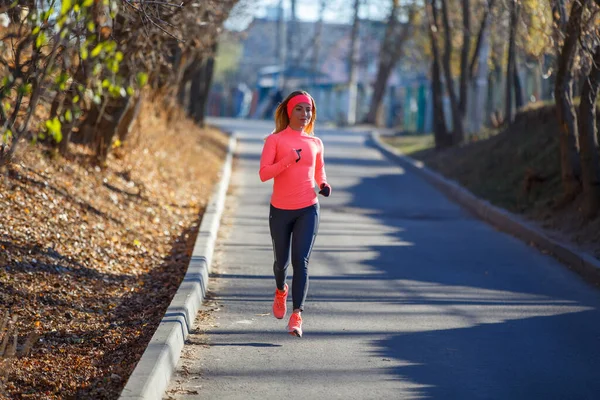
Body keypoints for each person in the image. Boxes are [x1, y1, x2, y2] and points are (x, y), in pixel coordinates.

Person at [259, 90, 331, 338]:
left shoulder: (315, 143)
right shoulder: (275, 141)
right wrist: (288, 160)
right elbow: (264, 174)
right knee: (282, 263)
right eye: (299, 109)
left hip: (308, 208)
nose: (304, 114)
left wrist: (323, 185)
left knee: (301, 261)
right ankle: (281, 290)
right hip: (280, 210)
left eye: (308, 109)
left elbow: (319, 170)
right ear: (289, 111)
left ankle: (297, 315)